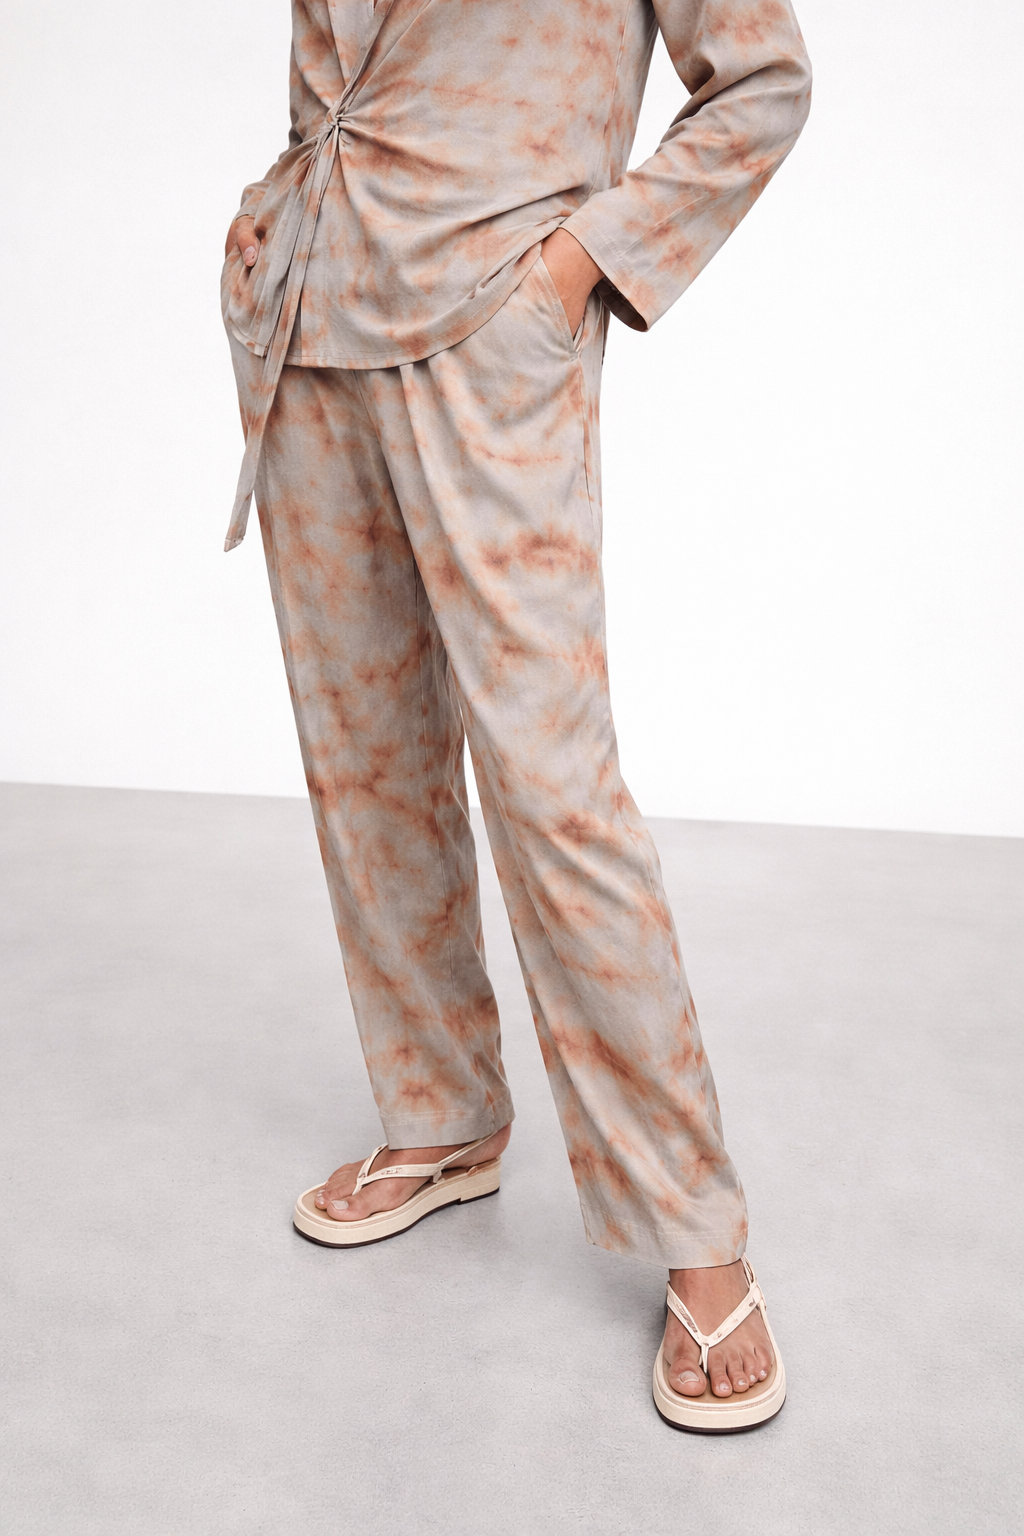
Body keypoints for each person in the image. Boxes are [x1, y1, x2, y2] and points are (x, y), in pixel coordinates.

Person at [222, 0, 810, 1432]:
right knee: (366, 760)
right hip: (308, 311)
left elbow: (764, 80)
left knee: (552, 783)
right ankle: (441, 1112)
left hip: (492, 313)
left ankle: (695, 1223)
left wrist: (576, 267)